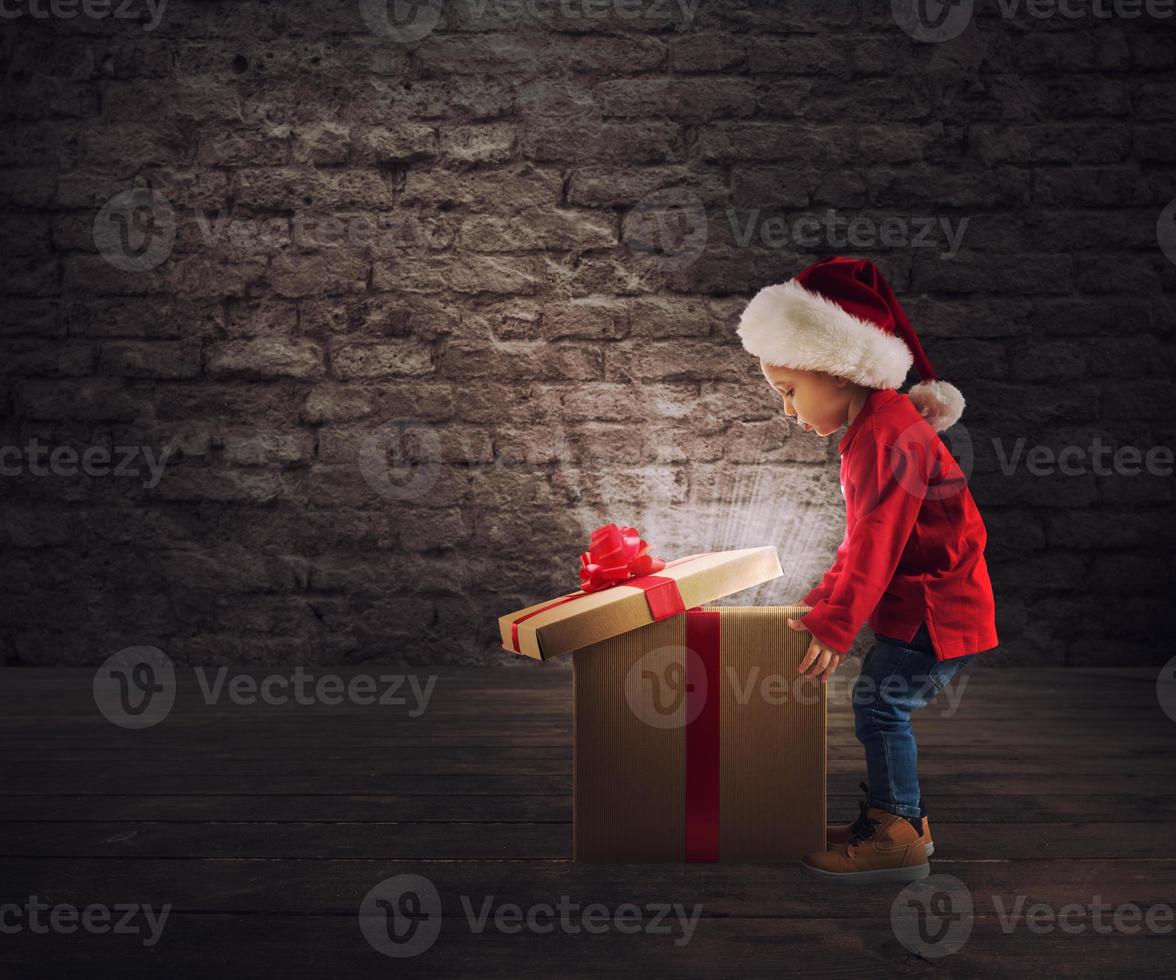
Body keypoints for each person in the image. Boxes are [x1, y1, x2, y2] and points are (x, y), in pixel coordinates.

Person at [735, 255, 999, 883]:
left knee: (881, 707)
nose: (788, 411)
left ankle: (898, 833)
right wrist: (824, 602)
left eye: (789, 392)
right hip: (925, 606)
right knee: (879, 704)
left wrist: (836, 624)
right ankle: (895, 819)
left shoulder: (887, 434)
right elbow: (859, 542)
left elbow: (879, 540)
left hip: (937, 610)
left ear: (837, 368)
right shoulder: (873, 429)